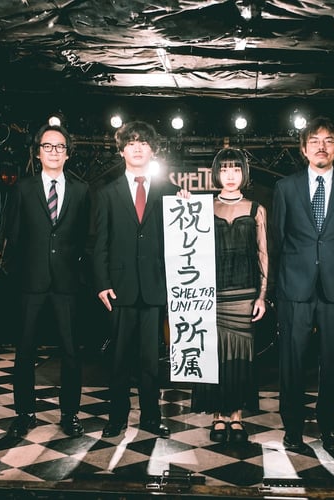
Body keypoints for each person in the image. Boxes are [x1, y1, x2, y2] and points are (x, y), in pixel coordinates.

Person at [271, 116, 334, 454]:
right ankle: (292, 429)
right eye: (314, 141)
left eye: (328, 141)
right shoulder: (285, 188)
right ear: (303, 149)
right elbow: (278, 238)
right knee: (292, 362)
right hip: (294, 287)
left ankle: (329, 429)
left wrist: (333, 265)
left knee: (333, 362)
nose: (321, 146)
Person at [92, 120, 183, 439]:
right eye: (131, 143)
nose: (138, 148)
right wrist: (102, 283)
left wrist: (185, 204)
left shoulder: (168, 191)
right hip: (120, 288)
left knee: (150, 360)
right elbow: (100, 243)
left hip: (155, 286)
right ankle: (117, 417)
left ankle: (150, 417)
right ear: (121, 151)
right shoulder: (107, 193)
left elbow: (177, 238)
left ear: (152, 150)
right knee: (118, 358)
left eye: (144, 142)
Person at [4, 121, 90, 438]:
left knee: (71, 352)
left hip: (68, 284)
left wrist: (79, 273)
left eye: (60, 147)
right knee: (25, 351)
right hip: (31, 282)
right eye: (47, 146)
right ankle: (25, 413)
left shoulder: (82, 190)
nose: (54, 152)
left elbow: (87, 237)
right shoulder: (23, 189)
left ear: (68, 154)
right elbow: (14, 235)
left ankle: (70, 414)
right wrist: (22, 273)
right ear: (38, 153)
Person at [190, 148, 268, 444]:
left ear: (244, 174)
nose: (231, 175)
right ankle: (217, 417)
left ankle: (236, 416)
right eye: (224, 169)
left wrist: (262, 295)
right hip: (212, 292)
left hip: (245, 291)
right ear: (217, 174)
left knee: (241, 356)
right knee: (215, 354)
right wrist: (184, 206)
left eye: (236, 169)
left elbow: (263, 253)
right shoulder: (203, 207)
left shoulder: (256, 208)